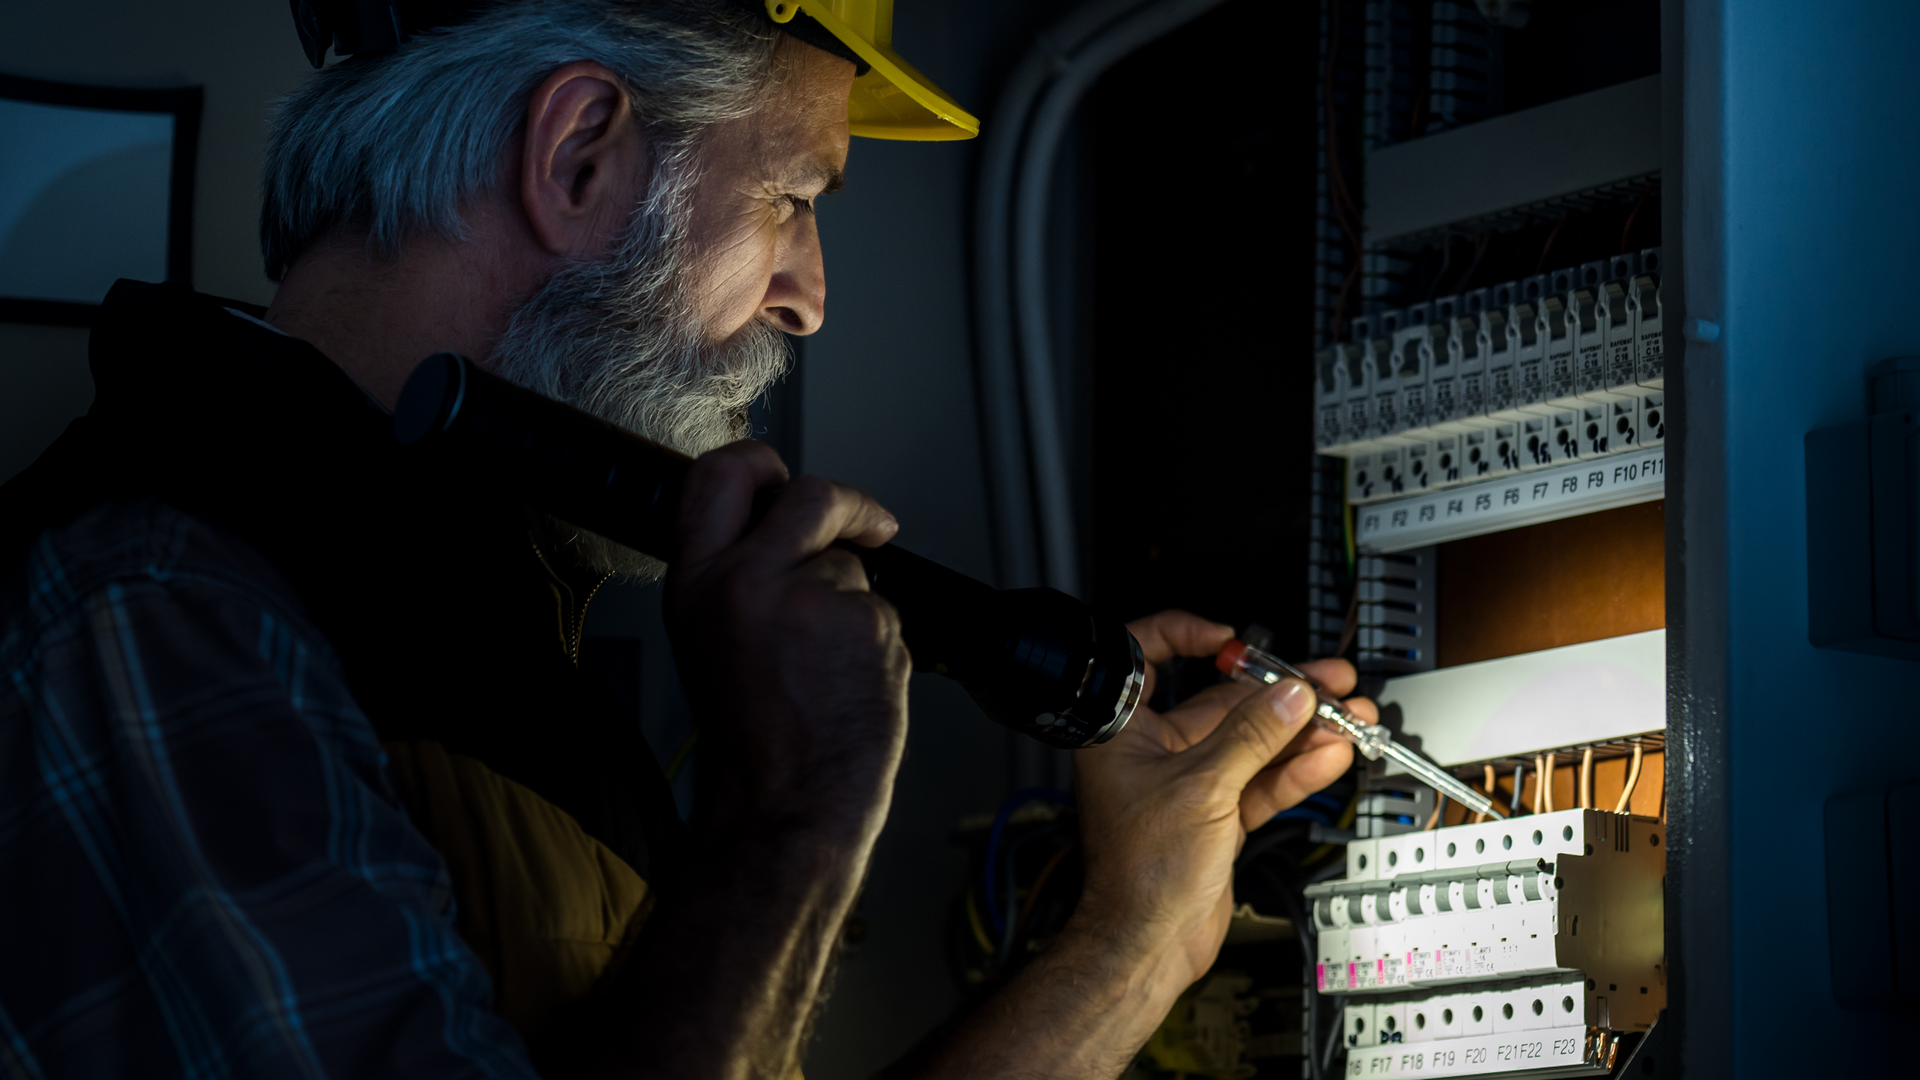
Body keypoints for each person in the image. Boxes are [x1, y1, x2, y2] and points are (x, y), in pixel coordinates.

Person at [0, 1, 1374, 1076]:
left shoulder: (491, 639)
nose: (808, 297)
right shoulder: (163, 605)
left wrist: (1135, 941)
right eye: (796, 196)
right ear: (581, 153)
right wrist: (791, 805)